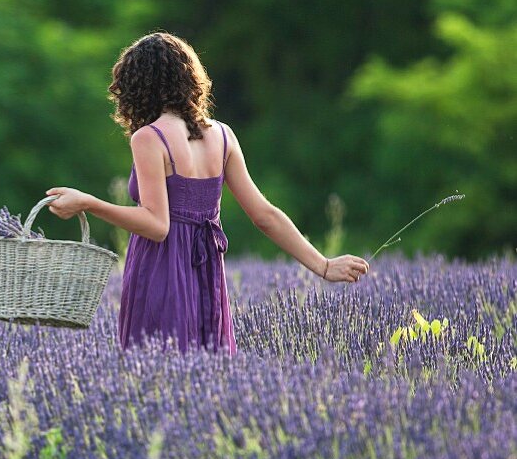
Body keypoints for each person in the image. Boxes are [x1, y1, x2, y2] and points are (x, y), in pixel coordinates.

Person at [44, 31, 369, 354]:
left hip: (160, 270)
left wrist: (88, 202)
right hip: (206, 274)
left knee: (154, 376)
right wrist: (323, 265)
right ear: (189, 78)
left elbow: (157, 226)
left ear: (137, 87)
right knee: (206, 374)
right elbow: (265, 216)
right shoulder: (223, 136)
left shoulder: (149, 137)